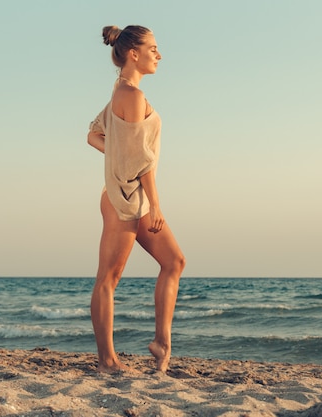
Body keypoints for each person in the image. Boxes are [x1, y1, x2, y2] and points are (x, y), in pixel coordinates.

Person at [87, 25, 185, 374]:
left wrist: (118, 158)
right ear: (134, 53)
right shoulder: (131, 95)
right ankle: (107, 362)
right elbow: (142, 161)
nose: (159, 55)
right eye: (153, 48)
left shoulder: (124, 91)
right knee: (108, 279)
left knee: (174, 261)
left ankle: (161, 341)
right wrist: (156, 204)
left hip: (130, 195)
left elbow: (94, 136)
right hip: (126, 199)